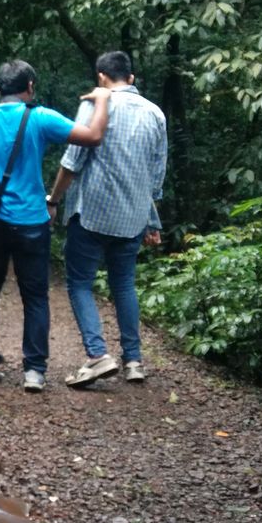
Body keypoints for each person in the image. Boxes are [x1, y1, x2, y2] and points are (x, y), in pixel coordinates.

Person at [0, 59, 111, 392]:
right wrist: (103, 99)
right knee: (35, 297)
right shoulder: (40, 118)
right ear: (30, 88)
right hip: (30, 222)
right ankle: (34, 372)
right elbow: (94, 136)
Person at [46, 50, 168, 387]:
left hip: (92, 214)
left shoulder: (94, 104)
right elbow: (155, 177)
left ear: (101, 77)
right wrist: (151, 221)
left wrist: (53, 200)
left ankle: (98, 355)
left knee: (80, 282)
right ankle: (134, 361)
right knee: (124, 284)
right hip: (132, 217)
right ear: (131, 78)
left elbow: (72, 161)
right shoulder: (155, 113)